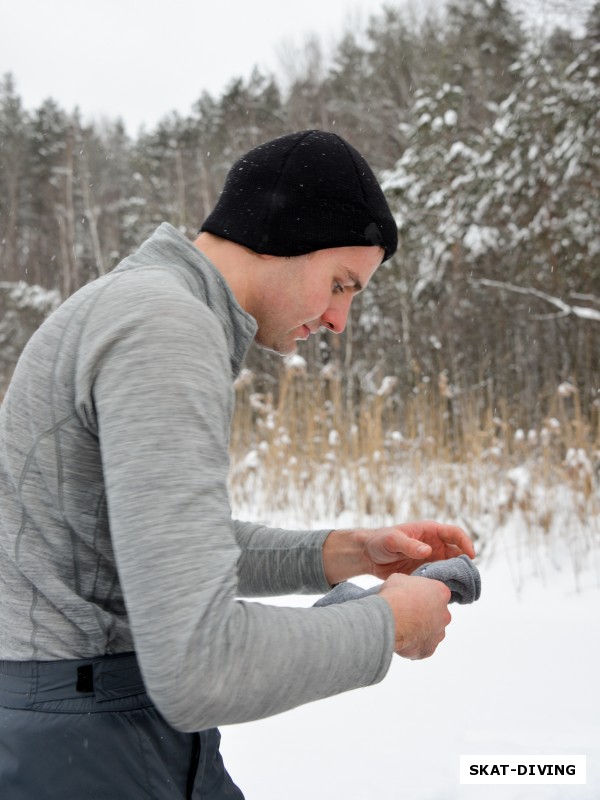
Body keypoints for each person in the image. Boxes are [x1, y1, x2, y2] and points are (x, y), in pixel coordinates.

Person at [0, 130, 475, 799]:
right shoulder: (165, 326)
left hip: (83, 726)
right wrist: (390, 622)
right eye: (341, 284)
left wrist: (347, 553)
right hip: (94, 745)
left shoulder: (141, 306)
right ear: (286, 232)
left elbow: (152, 545)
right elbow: (200, 665)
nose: (340, 319)